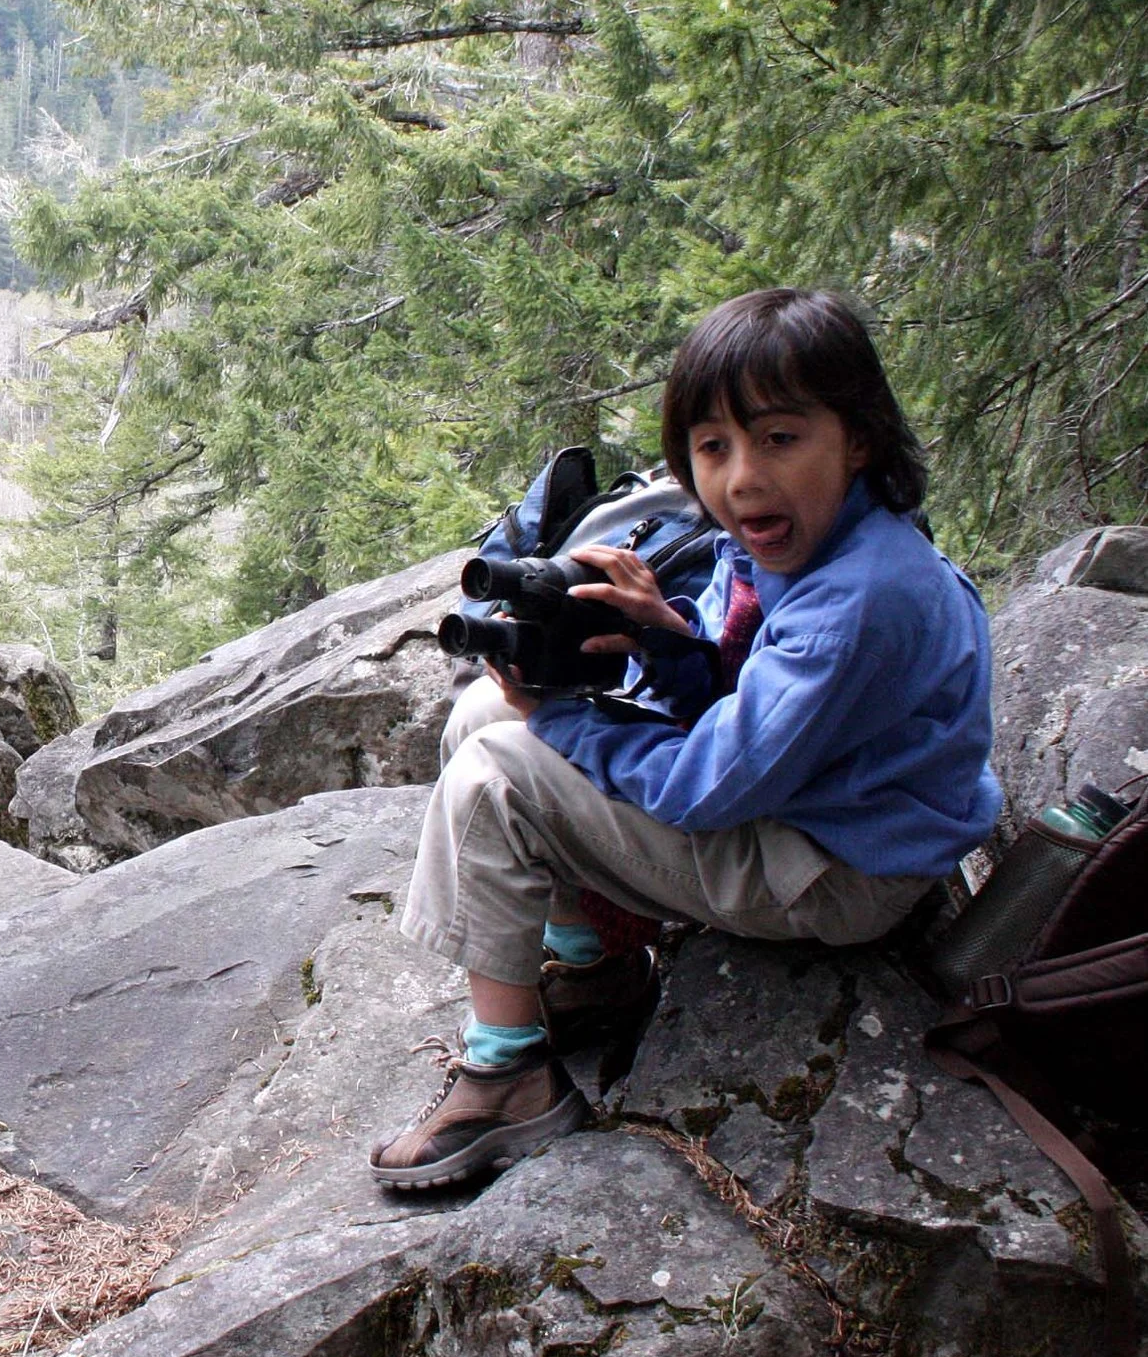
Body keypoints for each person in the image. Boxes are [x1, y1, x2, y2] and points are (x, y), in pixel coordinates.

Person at [368, 287, 1002, 1191]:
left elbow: (711, 785)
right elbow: (758, 704)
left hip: (841, 872)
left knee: (495, 773)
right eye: (713, 447)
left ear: (857, 439)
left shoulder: (859, 598)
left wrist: (564, 719)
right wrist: (667, 640)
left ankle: (509, 1077)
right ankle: (594, 972)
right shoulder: (809, 545)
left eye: (781, 438)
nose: (742, 478)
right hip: (822, 814)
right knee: (482, 716)